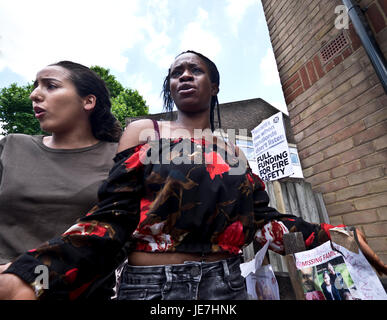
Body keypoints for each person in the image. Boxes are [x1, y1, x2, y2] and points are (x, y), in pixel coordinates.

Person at [0, 51, 386, 300]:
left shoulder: (234, 151)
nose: (183, 76)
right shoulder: (144, 132)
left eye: (195, 70)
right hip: (151, 288)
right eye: (175, 73)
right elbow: (112, 216)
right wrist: (35, 273)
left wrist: (335, 236)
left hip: (226, 285)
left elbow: (264, 223)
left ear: (213, 85)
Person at [0, 61, 122, 298]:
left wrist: (28, 277)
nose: (34, 94)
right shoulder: (11, 146)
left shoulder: (120, 158)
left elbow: (122, 237)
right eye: (36, 86)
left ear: (88, 101)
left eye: (51, 86)